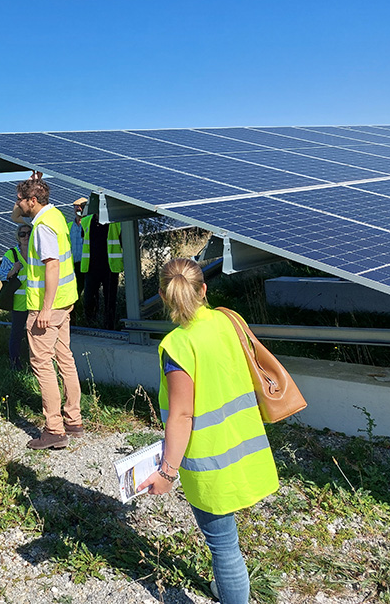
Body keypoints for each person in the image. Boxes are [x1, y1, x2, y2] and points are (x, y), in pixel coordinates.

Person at [137, 258, 279, 604]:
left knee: (223, 544)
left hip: (209, 461)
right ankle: (227, 589)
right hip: (246, 446)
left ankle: (233, 595)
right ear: (203, 289)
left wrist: (167, 473)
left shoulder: (177, 345)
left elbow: (182, 414)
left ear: (162, 296)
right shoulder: (229, 321)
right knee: (229, 541)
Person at [15, 176, 83, 450]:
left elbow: (52, 266)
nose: (17, 205)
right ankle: (73, 419)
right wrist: (31, 186)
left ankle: (54, 429)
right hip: (64, 302)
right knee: (65, 357)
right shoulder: (54, 215)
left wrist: (44, 308)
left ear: (32, 201)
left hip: (48, 307)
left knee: (43, 364)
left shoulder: (42, 227)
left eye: (21, 199)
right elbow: (15, 216)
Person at [0, 225, 31, 371]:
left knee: (34, 335)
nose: (26, 237)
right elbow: (0, 275)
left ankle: (34, 363)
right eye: (22, 234)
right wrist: (13, 270)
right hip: (19, 303)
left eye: (29, 233)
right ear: (18, 236)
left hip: (36, 301)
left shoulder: (38, 252)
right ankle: (15, 364)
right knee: (16, 334)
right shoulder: (12, 254)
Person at [79, 211, 123, 329]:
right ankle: (91, 324)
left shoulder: (115, 222)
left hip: (110, 268)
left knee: (110, 300)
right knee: (89, 299)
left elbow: (123, 242)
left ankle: (109, 326)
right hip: (91, 267)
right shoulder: (86, 221)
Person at [68, 197, 87, 295]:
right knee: (75, 293)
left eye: (81, 206)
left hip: (88, 265)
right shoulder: (69, 226)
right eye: (76, 207)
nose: (78, 209)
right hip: (73, 266)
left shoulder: (89, 224)